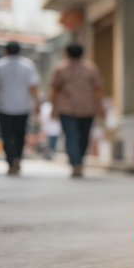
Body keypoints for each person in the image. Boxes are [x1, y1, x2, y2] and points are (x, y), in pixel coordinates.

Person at [49, 43, 104, 177]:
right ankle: (78, 162)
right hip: (87, 107)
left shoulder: (61, 68)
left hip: (67, 108)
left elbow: (54, 90)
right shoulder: (91, 68)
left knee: (72, 137)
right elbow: (98, 89)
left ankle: (76, 163)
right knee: (83, 137)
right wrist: (100, 106)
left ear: (66, 53)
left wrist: (53, 107)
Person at [0, 41, 40, 175]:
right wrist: (36, 102)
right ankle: (17, 158)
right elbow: (33, 86)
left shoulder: (0, 65)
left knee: (7, 135)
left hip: (4, 106)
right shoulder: (27, 65)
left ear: (6, 51)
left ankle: (11, 161)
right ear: (20, 51)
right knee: (20, 135)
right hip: (23, 106)